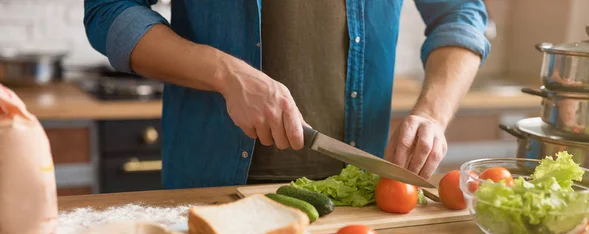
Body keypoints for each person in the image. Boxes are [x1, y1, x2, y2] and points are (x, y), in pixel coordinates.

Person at [84, 1, 490, 189]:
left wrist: (433, 113)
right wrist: (226, 74)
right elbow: (109, 10)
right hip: (211, 189)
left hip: (357, 193)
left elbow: (460, 13)